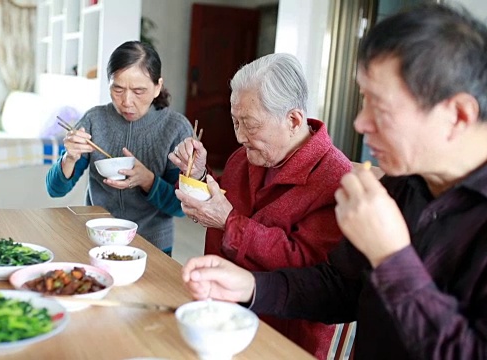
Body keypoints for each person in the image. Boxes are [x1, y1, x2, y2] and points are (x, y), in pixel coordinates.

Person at [181, 4, 487, 359]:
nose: (359, 124)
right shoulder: (401, 186)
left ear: (458, 115)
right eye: (363, 101)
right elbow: (340, 287)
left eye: (380, 107)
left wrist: (390, 257)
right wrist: (251, 286)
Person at [168, 53, 352, 358]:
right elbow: (224, 203)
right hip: (216, 314)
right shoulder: (244, 157)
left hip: (280, 337)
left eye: (249, 125)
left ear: (293, 120)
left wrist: (229, 222)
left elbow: (307, 268)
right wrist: (200, 175)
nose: (239, 136)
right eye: (235, 121)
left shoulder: (335, 178)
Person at [46, 41, 193, 255]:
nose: (126, 101)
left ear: (157, 87)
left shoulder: (176, 128)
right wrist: (69, 157)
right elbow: (55, 190)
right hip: (99, 239)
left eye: (139, 91)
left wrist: (148, 181)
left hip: (154, 245)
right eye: (118, 89)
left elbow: (181, 208)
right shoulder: (94, 120)